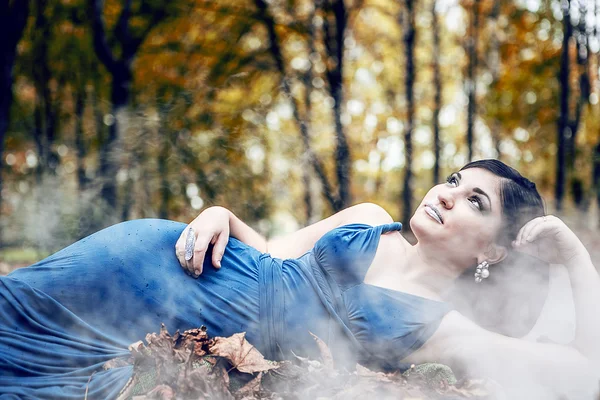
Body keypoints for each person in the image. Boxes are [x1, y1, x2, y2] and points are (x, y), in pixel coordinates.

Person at [0, 159, 598, 399]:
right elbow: (273, 252)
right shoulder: (368, 220)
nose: (446, 194)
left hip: (164, 325)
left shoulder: (442, 327)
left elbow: (586, 371)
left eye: (475, 200)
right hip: (147, 259)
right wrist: (222, 215)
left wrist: (572, 256)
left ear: (492, 248)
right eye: (453, 178)